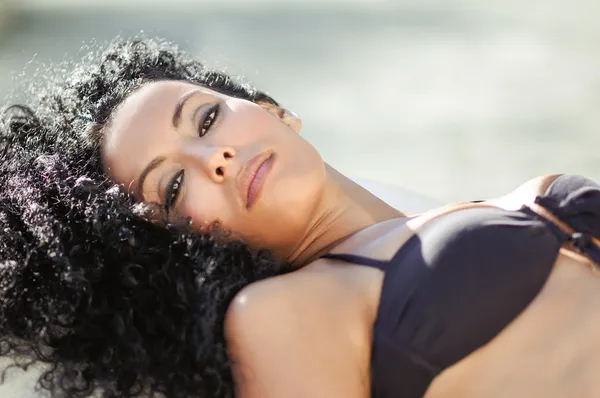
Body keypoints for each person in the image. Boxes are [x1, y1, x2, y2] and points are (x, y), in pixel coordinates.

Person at [1, 36, 599, 398]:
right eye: (175, 183)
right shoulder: (277, 315)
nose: (218, 158)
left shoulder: (491, 198)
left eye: (206, 120)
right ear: (182, 242)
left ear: (272, 109)